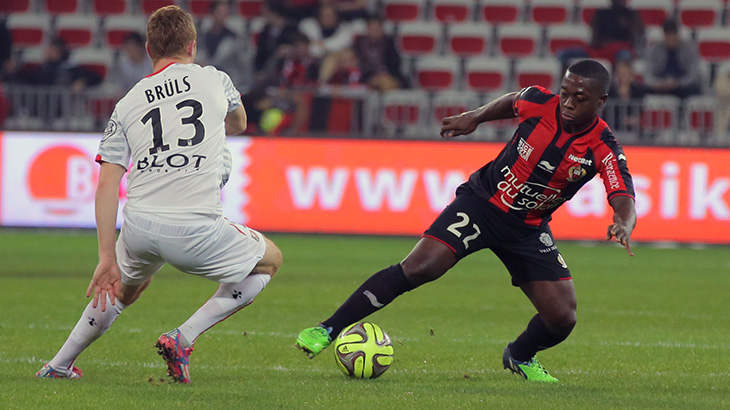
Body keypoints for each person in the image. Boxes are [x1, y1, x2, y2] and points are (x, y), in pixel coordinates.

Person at [295, 59, 636, 383]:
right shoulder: (538, 101)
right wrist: (474, 117)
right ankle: (327, 329)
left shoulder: (602, 146)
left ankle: (520, 356)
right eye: (564, 92)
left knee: (562, 317)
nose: (568, 103)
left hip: (527, 230)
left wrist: (623, 221)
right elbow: (511, 101)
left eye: (580, 98)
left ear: (601, 101)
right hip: (481, 204)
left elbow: (623, 194)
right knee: (420, 267)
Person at [35, 5, 282, 383]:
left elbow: (106, 184)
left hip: (140, 226)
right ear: (192, 46)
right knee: (270, 261)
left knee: (123, 288)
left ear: (149, 50)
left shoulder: (127, 104)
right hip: (195, 228)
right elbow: (239, 123)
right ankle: (183, 337)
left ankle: (58, 365)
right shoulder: (214, 78)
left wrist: (106, 256)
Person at [643, 19, 702, 99]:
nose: (671, 39)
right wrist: (659, 83)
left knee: (693, 89)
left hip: (682, 86)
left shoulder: (689, 49)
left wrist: (678, 83)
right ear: (664, 35)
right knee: (641, 90)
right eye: (668, 36)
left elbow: (693, 75)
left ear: (678, 34)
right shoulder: (655, 49)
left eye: (673, 35)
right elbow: (648, 74)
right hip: (661, 86)